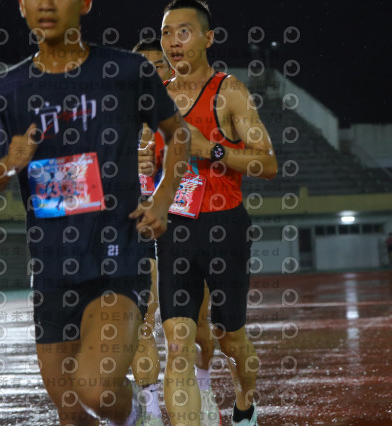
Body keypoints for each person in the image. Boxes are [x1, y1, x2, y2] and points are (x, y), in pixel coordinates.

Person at [0, 1, 188, 425]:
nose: (47, 4)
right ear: (22, 6)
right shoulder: (4, 90)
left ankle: (137, 414)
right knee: (71, 413)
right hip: (51, 271)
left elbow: (177, 134)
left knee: (96, 390)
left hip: (117, 258)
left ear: (85, 3)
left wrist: (163, 199)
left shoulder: (126, 71)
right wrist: (7, 164)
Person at [155, 1, 278, 425]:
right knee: (177, 344)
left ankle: (245, 403)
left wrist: (213, 149)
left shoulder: (230, 92)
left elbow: (268, 163)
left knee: (231, 339)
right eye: (166, 32)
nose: (173, 41)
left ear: (208, 38)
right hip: (175, 228)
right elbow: (152, 166)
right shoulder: (155, 99)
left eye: (183, 31)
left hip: (225, 227)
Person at [131, 39, 218, 426]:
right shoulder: (119, 117)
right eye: (142, 66)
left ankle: (203, 381)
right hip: (139, 230)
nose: (149, 73)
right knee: (142, 320)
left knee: (195, 328)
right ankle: (150, 409)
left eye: (157, 65)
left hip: (185, 228)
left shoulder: (191, 114)